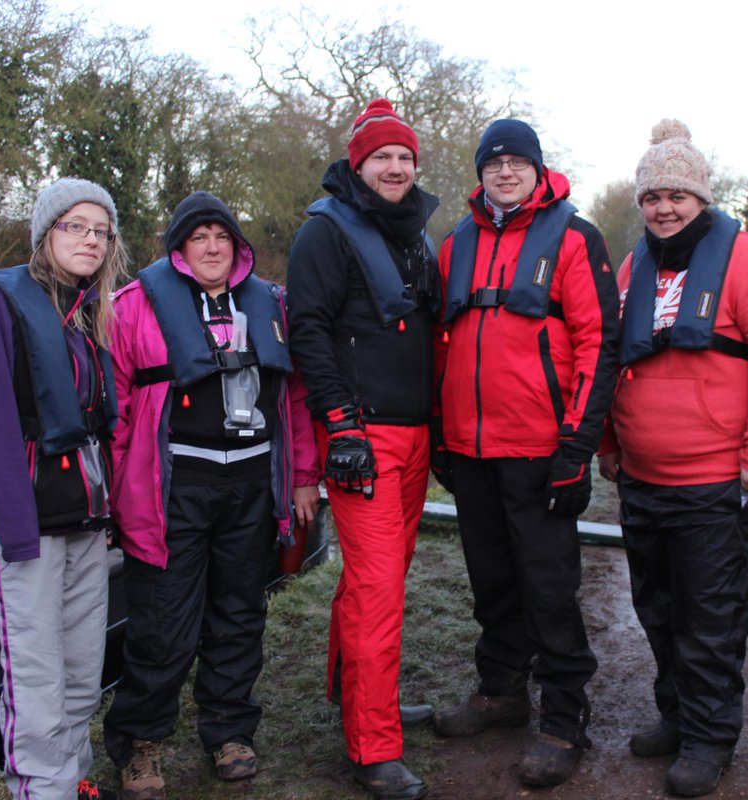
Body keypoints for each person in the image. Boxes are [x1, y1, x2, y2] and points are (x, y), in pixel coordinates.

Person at [597, 120, 748, 797]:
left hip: (714, 481)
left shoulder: (746, 263)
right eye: (652, 196)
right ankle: (677, 716)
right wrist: (611, 445)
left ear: (702, 198)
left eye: (678, 194)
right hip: (644, 478)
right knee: (657, 607)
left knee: (710, 618)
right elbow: (618, 359)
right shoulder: (634, 267)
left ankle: (712, 737)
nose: (664, 207)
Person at [102, 191, 319, 800]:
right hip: (174, 488)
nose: (212, 247)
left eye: (221, 236)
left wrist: (304, 475)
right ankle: (139, 744)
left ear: (238, 246)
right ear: (179, 248)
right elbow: (117, 412)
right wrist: (117, 495)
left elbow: (295, 401)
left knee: (239, 615)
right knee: (163, 624)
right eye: (198, 237)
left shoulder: (273, 304)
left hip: (251, 486)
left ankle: (228, 730)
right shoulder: (134, 307)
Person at [431, 118, 619, 788]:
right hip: (471, 447)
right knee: (491, 580)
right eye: (493, 163)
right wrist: (439, 435)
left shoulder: (574, 236)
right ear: (479, 172)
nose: (504, 172)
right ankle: (502, 690)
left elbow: (600, 345)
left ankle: (565, 717)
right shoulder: (455, 242)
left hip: (541, 448)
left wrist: (577, 447)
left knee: (548, 588)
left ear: (538, 170)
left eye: (517, 162)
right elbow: (441, 342)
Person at [286, 98, 438, 800]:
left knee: (383, 577)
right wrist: (340, 425)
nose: (396, 167)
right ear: (359, 162)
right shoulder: (326, 232)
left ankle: (355, 695)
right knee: (377, 591)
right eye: (383, 156)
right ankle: (373, 748)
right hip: (363, 435)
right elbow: (309, 331)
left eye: (405, 157)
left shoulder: (416, 233)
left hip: (413, 432)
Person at [0, 177, 127, 800]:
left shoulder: (87, 312)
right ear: (45, 233)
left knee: (83, 668)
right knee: (35, 675)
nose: (89, 238)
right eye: (74, 226)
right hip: (25, 525)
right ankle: (41, 789)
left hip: (83, 519)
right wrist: (17, 534)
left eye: (99, 230)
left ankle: (72, 778)